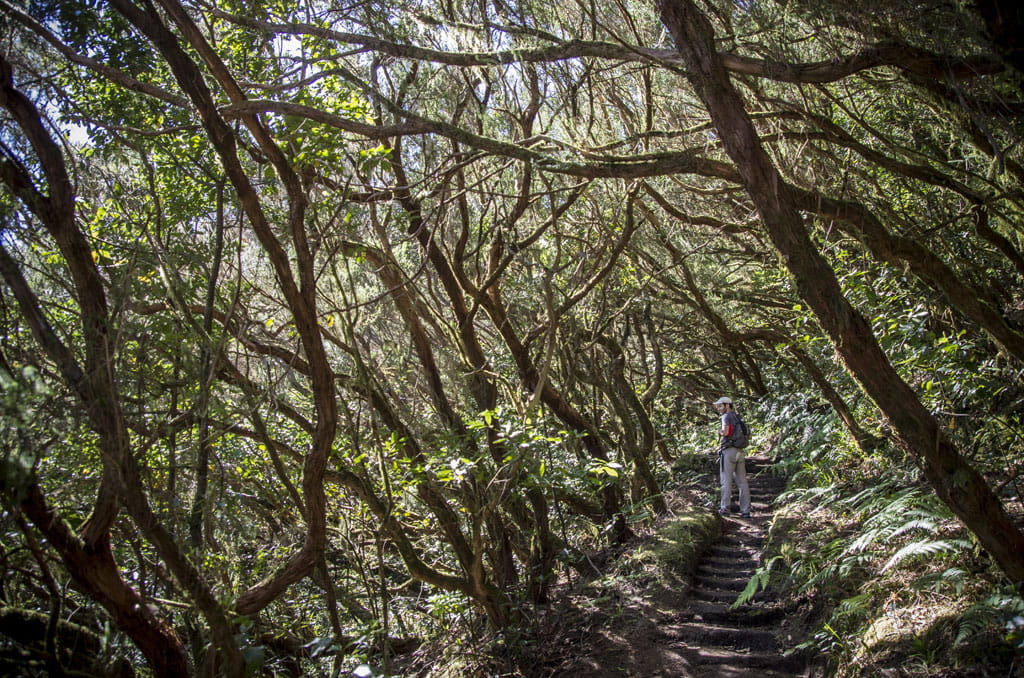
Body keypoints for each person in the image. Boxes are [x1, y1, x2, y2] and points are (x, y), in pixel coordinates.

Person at [713, 396, 750, 518]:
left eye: (720, 406)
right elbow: (747, 433)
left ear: (727, 405)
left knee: (726, 481)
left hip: (729, 451)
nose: (718, 408)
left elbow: (727, 432)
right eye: (718, 406)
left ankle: (725, 508)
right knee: (742, 482)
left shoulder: (726, 416)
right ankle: (745, 510)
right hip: (740, 451)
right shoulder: (737, 417)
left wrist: (720, 431)